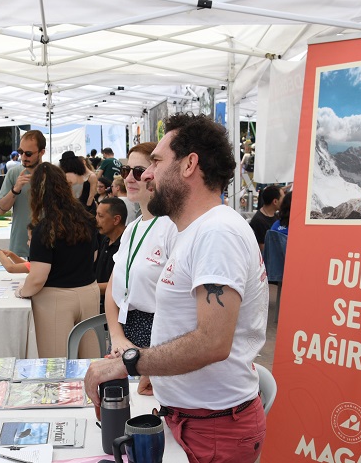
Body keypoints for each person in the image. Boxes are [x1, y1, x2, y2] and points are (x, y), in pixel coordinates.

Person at [85, 113, 268, 463]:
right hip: (193, 419)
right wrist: (160, 372)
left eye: (155, 161)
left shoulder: (217, 233)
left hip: (213, 430)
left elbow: (212, 342)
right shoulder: (194, 230)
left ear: (189, 165)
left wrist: (131, 361)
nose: (147, 174)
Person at [104, 142, 178, 393]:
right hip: (123, 337)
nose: (130, 178)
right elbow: (113, 288)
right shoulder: (133, 228)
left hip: (159, 339)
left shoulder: (171, 227)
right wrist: (117, 336)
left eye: (139, 171)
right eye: (126, 171)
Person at [15, 163, 100, 358]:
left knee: (57, 366)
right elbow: (93, 256)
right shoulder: (85, 218)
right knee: (89, 363)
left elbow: (38, 277)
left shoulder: (44, 228)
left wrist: (22, 291)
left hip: (55, 299)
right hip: (89, 292)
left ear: (36, 192)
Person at [0, 130, 46, 257]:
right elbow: (1, 210)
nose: (23, 157)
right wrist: (15, 189)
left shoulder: (52, 175)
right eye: (20, 152)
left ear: (42, 152)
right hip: (20, 247)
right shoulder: (14, 173)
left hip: (48, 246)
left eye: (28, 154)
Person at [93, 197, 127, 313]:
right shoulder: (105, 240)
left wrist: (89, 289)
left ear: (116, 219)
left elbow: (122, 285)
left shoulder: (127, 245)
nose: (96, 219)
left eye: (100, 216)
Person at [249, 184, 283, 252]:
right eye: (283, 198)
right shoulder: (259, 221)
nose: (284, 202)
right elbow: (264, 250)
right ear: (275, 202)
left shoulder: (276, 216)